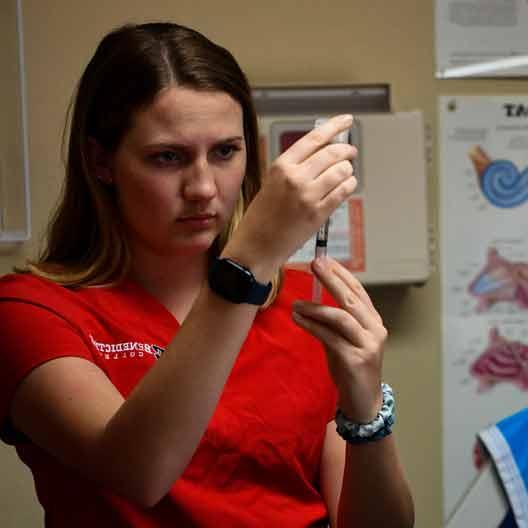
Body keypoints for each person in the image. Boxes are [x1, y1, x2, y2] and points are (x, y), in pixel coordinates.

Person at [0, 22, 414, 527]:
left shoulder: (303, 301)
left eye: (225, 152)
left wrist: (367, 411)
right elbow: (137, 473)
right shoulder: (32, 311)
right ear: (101, 161)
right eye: (168, 157)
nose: (202, 187)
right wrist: (247, 265)